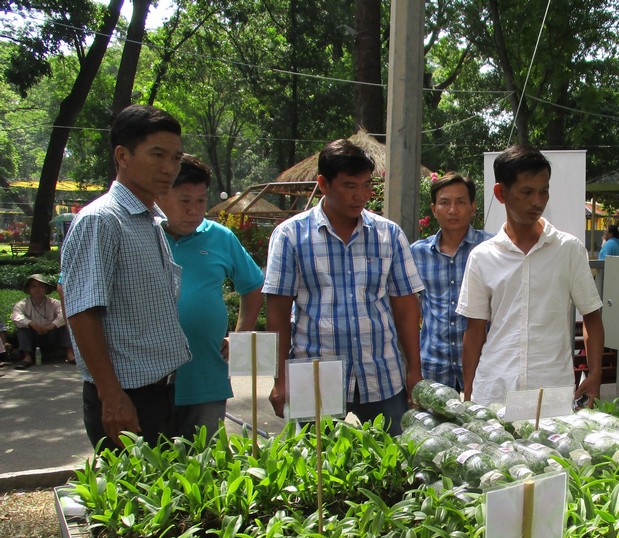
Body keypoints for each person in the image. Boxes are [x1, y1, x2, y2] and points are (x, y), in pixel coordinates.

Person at [262, 139, 423, 436]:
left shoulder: (388, 234)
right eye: (350, 186)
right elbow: (278, 314)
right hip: (315, 377)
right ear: (324, 184)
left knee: (390, 468)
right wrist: (280, 377)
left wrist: (414, 369)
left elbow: (405, 306)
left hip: (381, 375)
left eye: (366, 185)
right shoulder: (290, 235)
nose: (360, 196)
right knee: (316, 470)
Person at [61, 104, 191, 450]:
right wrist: (112, 396)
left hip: (157, 391)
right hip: (125, 398)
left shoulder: (149, 220)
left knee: (157, 497)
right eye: (157, 155)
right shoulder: (102, 220)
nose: (169, 168)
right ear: (123, 155)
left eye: (176, 158)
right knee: (136, 499)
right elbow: (82, 312)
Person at [457, 145, 605, 407]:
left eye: (544, 191)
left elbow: (591, 316)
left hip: (551, 392)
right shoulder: (482, 257)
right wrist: (469, 392)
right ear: (501, 193)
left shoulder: (568, 250)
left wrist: (594, 374)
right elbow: (475, 330)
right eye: (527, 192)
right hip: (494, 390)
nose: (537, 201)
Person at [159, 154, 264, 440]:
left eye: (201, 201)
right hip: (149, 379)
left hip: (207, 375)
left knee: (206, 464)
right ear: (160, 196)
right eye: (184, 201)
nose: (194, 210)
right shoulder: (144, 234)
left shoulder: (220, 237)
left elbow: (253, 286)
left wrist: (241, 336)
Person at [410, 172, 492, 392]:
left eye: (461, 202)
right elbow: (410, 308)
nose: (453, 210)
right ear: (434, 209)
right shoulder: (417, 253)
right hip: (434, 368)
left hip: (484, 368)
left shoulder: (492, 249)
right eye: (444, 203)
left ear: (473, 207)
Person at [10, 273, 74, 370]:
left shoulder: (55, 303)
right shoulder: (22, 304)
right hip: (33, 337)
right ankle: (27, 358)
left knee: (64, 325)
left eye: (41, 286)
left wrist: (51, 326)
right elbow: (16, 317)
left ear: (46, 289)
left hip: (51, 335)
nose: (37, 289)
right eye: (33, 286)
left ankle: (70, 355)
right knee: (22, 329)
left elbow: (63, 314)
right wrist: (31, 324)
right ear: (29, 289)